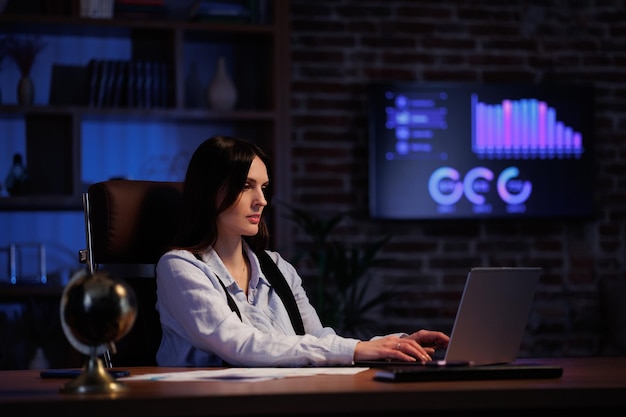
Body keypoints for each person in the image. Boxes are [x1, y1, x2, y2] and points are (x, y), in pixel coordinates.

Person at [155, 135, 449, 367]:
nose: (262, 201)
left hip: (284, 399)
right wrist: (357, 350)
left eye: (264, 188)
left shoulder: (276, 267)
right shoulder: (180, 267)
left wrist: (393, 344)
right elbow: (239, 345)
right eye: (247, 186)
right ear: (210, 192)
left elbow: (318, 339)